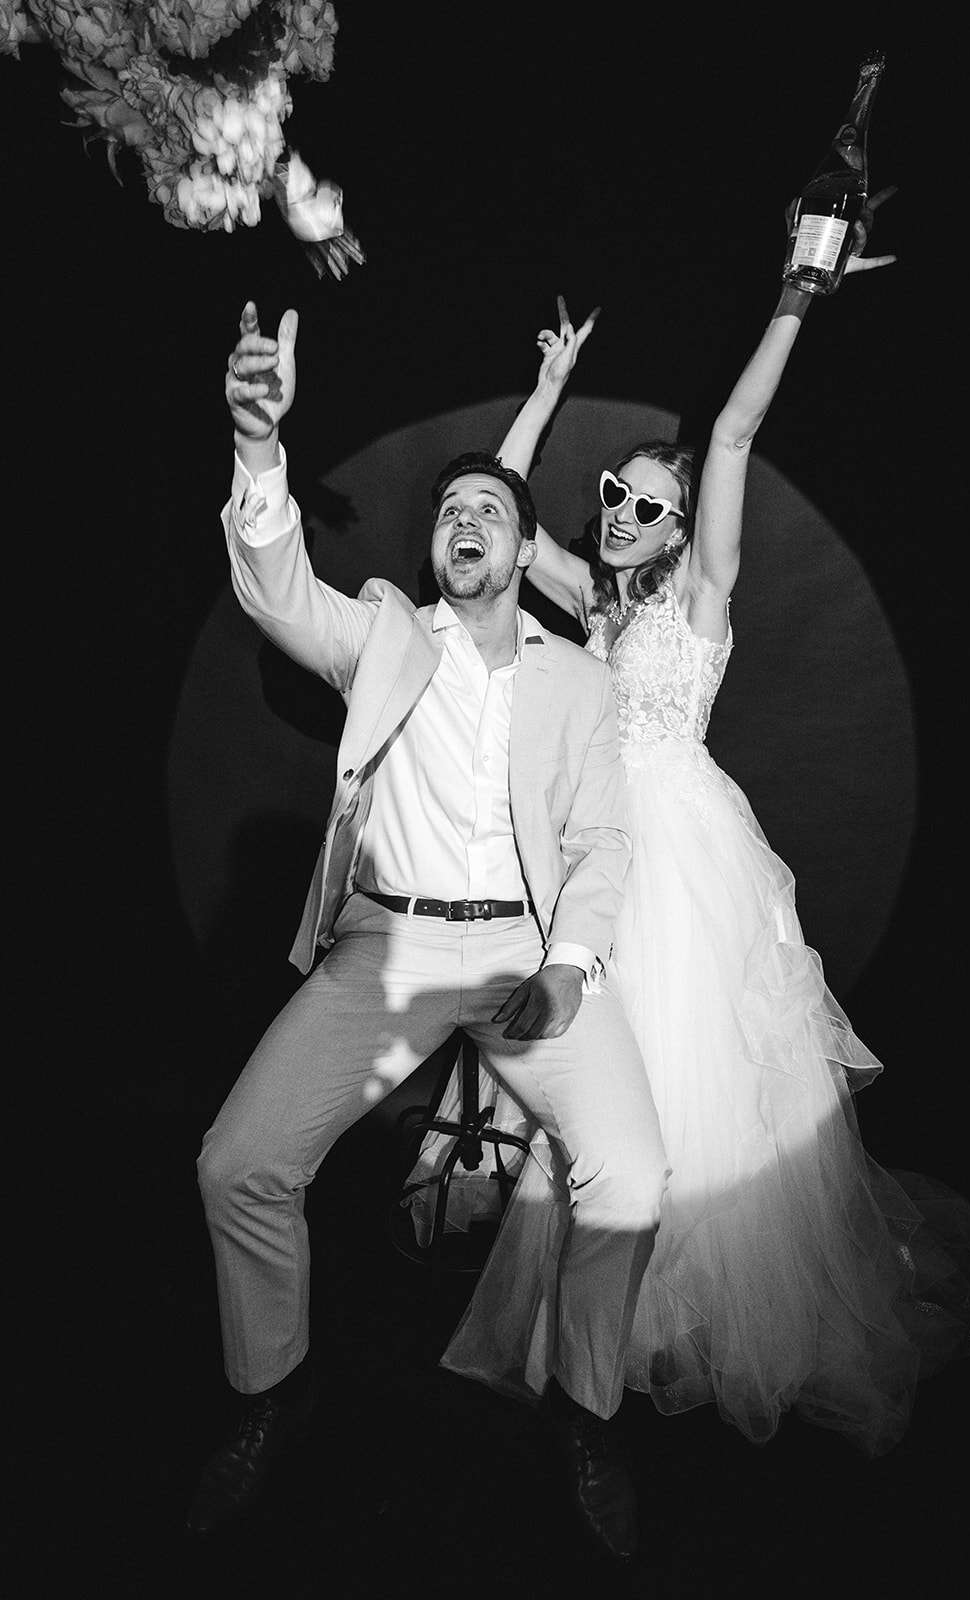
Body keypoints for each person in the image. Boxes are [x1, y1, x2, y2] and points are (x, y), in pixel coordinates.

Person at [439, 202, 970, 1454]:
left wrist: (797, 293)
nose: (621, 511)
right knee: (598, 1104)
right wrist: (545, 390)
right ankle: (600, 1330)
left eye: (645, 503)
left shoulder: (699, 597)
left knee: (692, 1094)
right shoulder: (593, 603)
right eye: (613, 494)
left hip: (681, 861)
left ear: (685, 530)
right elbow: (503, 512)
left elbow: (732, 430)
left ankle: (675, 1325)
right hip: (596, 860)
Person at [185, 300, 669, 1560]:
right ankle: (268, 1394)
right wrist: (257, 444)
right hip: (385, 952)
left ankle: (585, 1416)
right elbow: (276, 590)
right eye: (450, 509)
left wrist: (567, 969)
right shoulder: (383, 633)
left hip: (521, 952)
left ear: (521, 546)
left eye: (488, 510)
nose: (464, 520)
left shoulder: (577, 679)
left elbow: (601, 842)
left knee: (630, 1174)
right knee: (238, 1164)